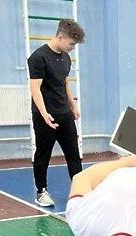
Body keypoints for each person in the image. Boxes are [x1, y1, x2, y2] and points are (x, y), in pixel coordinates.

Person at [27, 19, 85, 207]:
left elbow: (65, 82)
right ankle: (41, 191)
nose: (73, 48)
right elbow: (35, 89)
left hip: (64, 114)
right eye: (71, 44)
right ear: (60, 37)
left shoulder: (66, 58)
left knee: (73, 154)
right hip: (45, 116)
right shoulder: (38, 57)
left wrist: (73, 105)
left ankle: (79, 191)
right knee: (43, 154)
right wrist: (44, 114)